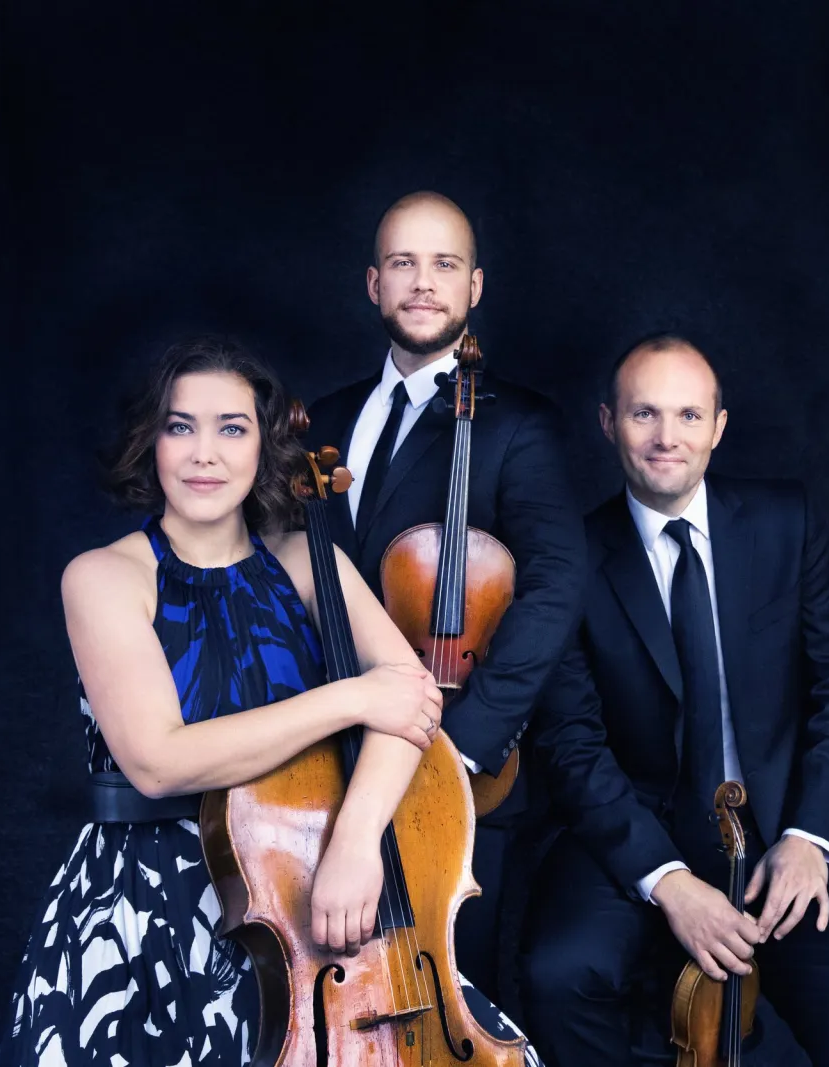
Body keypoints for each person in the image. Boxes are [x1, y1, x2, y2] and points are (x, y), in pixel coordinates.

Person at [0, 338, 540, 1066]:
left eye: (232, 427)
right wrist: (348, 698)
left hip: (306, 878)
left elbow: (410, 702)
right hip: (148, 900)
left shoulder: (308, 562)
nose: (203, 453)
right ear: (149, 442)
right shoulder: (103, 577)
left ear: (264, 444)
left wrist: (356, 839)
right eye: (180, 426)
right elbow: (159, 760)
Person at [520, 335, 829, 1066]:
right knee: (557, 975)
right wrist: (668, 880)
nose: (667, 437)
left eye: (687, 415)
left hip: (779, 829)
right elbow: (571, 742)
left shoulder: (785, 524)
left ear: (718, 427)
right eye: (644, 414)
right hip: (637, 824)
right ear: (607, 422)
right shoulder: (569, 561)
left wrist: (809, 838)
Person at [302, 191, 585, 1008]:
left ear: (476, 287)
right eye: (403, 264)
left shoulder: (520, 425)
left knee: (450, 1003)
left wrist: (459, 746)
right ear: (372, 283)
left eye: (444, 265)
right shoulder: (323, 422)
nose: (423, 283)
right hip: (324, 759)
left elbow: (554, 587)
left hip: (457, 770)